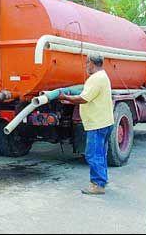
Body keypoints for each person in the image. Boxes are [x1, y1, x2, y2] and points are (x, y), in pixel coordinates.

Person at [58, 52, 114, 195]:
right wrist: (69, 99)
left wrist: (66, 97)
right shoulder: (103, 76)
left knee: (92, 154)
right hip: (105, 121)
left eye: (86, 63)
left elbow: (84, 98)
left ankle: (98, 185)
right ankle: (102, 180)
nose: (85, 66)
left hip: (97, 123)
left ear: (92, 63)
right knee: (100, 153)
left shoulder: (95, 78)